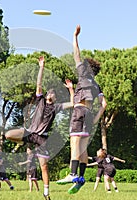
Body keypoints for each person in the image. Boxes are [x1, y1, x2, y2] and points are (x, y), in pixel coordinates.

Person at [5, 55, 75, 200]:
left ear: (55, 98)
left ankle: (46, 193)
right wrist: (41, 67)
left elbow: (73, 103)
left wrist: (71, 89)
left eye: (53, 94)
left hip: (42, 139)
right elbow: (38, 84)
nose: (51, 94)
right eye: (49, 93)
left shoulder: (56, 107)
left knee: (44, 167)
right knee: (8, 135)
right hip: (30, 133)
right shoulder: (40, 100)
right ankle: (22, 141)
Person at [56, 24, 107, 195]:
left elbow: (76, 54)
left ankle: (72, 174)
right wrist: (94, 119)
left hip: (79, 111)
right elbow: (104, 105)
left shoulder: (84, 75)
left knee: (74, 143)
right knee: (83, 149)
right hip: (89, 114)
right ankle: (81, 177)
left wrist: (75, 36)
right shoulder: (97, 85)